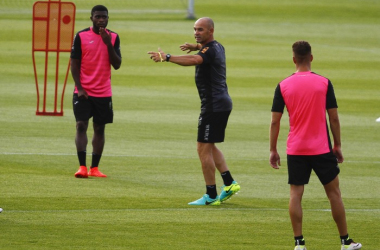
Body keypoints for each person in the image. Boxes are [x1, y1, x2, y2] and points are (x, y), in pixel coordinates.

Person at [269, 41, 362, 250]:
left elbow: (275, 121)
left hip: (296, 149)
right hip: (321, 148)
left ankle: (299, 243)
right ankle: (345, 241)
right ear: (311, 57)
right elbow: (334, 118)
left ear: (294, 59)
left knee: (296, 194)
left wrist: (273, 150)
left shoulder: (283, 85)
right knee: (334, 194)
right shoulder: (324, 83)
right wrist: (337, 145)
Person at [148, 17, 240, 205]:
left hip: (213, 106)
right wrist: (196, 45)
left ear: (210, 31)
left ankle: (211, 195)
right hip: (220, 103)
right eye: (194, 29)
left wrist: (167, 57)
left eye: (200, 30)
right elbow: (204, 51)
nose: (196, 32)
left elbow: (195, 59)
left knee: (202, 148)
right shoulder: (217, 47)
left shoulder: (209, 51)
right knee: (210, 145)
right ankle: (229, 183)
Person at [70, 5, 121, 178]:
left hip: (103, 92)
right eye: (98, 16)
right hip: (83, 91)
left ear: (108, 18)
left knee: (100, 128)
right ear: (91, 18)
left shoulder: (113, 37)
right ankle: (82, 167)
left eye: (104, 17)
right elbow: (74, 64)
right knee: (81, 125)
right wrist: (80, 87)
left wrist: (108, 44)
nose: (101, 20)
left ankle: (95, 168)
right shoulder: (81, 36)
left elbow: (117, 64)